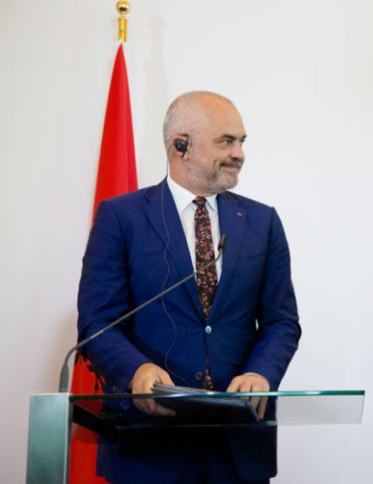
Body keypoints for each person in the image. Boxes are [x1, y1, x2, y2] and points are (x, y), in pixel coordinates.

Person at [77, 91, 301, 484]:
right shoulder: (121, 217)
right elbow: (98, 321)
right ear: (182, 145)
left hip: (238, 444)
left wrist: (261, 373)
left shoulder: (262, 222)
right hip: (148, 446)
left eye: (241, 142)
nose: (239, 154)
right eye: (225, 141)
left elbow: (281, 322)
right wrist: (136, 369)